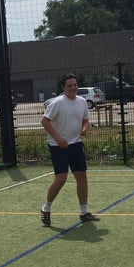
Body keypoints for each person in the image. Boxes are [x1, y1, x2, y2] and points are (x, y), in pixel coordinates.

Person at [40, 73, 100, 227]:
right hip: (58, 146)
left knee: (82, 177)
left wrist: (85, 127)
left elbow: (85, 121)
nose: (73, 88)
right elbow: (45, 121)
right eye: (69, 86)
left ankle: (84, 212)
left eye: (75, 85)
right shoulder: (57, 103)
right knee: (61, 179)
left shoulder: (82, 102)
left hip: (76, 145)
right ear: (63, 88)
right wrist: (58, 139)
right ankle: (46, 208)